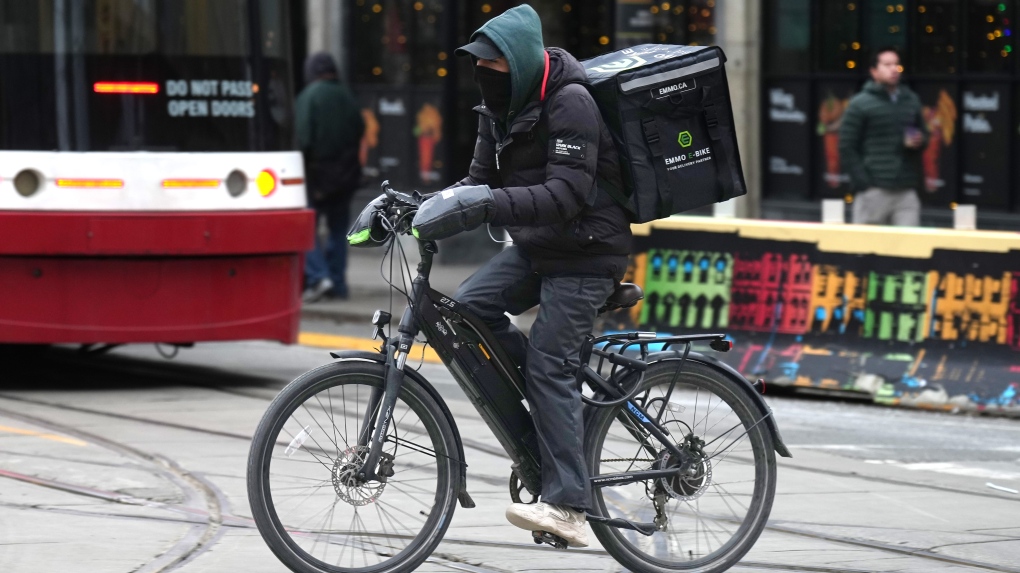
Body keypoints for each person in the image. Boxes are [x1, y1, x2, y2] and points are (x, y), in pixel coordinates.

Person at [409, 5, 631, 548]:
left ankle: (570, 507)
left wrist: (486, 203)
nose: (485, 74)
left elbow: (567, 195)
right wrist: (421, 204)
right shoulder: (497, 109)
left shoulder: (571, 102)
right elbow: (479, 181)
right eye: (480, 66)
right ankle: (549, 420)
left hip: (587, 250)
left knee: (551, 366)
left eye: (495, 65)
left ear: (523, 62)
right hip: (539, 247)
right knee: (468, 309)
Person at [297, 52, 365, 301]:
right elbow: (359, 129)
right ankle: (337, 284)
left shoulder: (309, 97)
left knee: (306, 228)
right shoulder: (346, 96)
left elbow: (303, 138)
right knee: (339, 230)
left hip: (317, 174)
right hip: (345, 174)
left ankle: (318, 276)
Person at [839, 46, 929, 226]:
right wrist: (864, 183)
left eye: (896, 64)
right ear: (874, 71)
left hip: (906, 190)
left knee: (909, 249)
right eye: (887, 64)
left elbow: (924, 133)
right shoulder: (860, 104)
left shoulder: (910, 99)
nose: (894, 69)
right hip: (874, 190)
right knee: (866, 249)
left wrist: (920, 140)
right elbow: (846, 146)